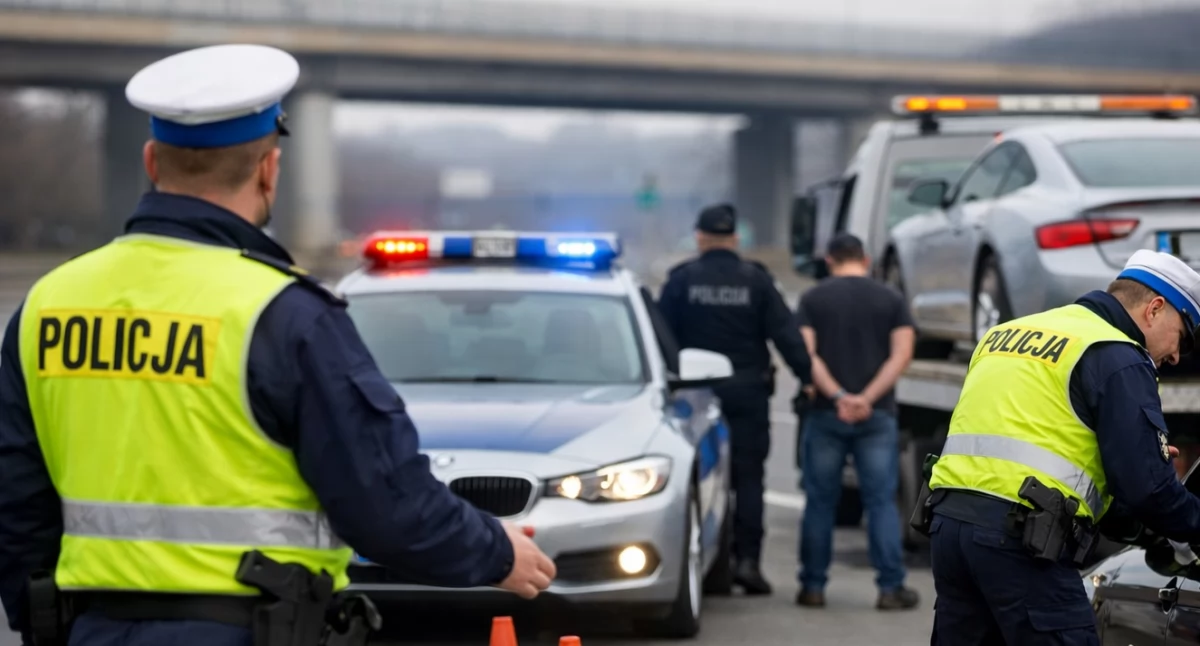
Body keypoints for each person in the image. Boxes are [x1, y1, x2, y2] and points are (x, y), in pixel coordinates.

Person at [0, 44, 555, 646]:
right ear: (269, 169)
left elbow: (16, 503)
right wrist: (495, 552)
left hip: (93, 632)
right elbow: (383, 501)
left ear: (151, 161)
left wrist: (49, 623)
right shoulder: (285, 314)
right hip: (251, 630)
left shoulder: (49, 302)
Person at [926, 249, 1200, 645]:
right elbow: (1148, 489)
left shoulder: (1005, 333)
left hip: (949, 531)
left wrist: (1133, 486)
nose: (1175, 356)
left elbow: (1048, 445)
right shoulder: (1117, 354)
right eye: (1183, 338)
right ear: (1155, 309)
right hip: (1022, 543)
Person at [657, 203, 812, 595]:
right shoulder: (756, 281)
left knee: (700, 480)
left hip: (695, 396)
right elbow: (786, 334)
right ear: (735, 238)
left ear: (699, 237)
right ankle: (748, 563)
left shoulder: (681, 281)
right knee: (749, 479)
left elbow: (661, 339)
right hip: (748, 394)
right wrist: (808, 378)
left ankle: (711, 567)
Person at [793, 233, 921, 610]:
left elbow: (807, 355)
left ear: (829, 260)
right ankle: (890, 588)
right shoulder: (891, 299)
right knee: (880, 501)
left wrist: (838, 396)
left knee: (820, 502)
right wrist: (866, 398)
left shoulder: (813, 299)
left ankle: (812, 587)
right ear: (865, 259)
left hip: (825, 414)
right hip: (876, 414)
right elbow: (901, 355)